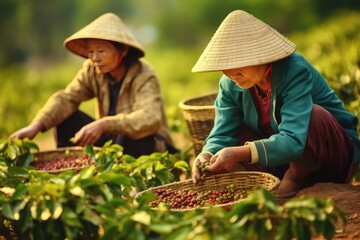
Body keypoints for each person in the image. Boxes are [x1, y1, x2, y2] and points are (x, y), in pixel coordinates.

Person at [191, 10, 360, 198]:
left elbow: (294, 139)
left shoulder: (294, 70)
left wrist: (239, 153)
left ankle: (296, 178)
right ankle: (270, 181)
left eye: (240, 62)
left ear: (262, 57)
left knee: (315, 116)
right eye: (226, 65)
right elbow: (222, 132)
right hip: (282, 160)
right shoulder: (229, 83)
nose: (232, 73)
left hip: (330, 155)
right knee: (234, 131)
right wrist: (206, 154)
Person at [10, 12, 177, 158]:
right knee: (66, 117)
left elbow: (150, 118)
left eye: (101, 51)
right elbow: (67, 98)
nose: (95, 58)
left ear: (123, 51)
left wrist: (103, 124)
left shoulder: (143, 74)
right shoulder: (92, 69)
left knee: (131, 134)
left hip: (149, 146)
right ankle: (72, 170)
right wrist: (36, 126)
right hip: (113, 143)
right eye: (91, 51)